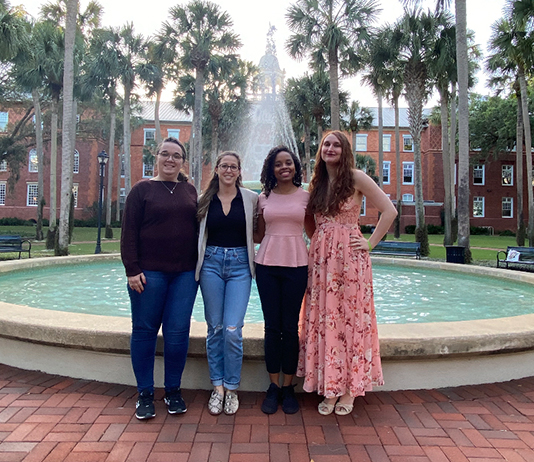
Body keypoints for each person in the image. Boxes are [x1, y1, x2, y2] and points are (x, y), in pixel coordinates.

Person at [297, 131, 397, 416]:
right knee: (325, 318)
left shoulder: (356, 177)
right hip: (321, 262)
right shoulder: (317, 182)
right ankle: (330, 386)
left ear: (344, 150)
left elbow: (389, 211)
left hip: (350, 260)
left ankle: (350, 389)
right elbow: (308, 218)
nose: (330, 148)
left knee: (350, 319)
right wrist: (320, 240)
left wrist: (369, 243)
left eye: (336, 144)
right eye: (326, 144)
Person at [121, 137, 198, 420]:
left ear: (182, 161)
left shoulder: (190, 191)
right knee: (144, 332)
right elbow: (128, 233)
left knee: (177, 334)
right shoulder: (142, 190)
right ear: (156, 157)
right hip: (148, 274)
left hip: (185, 275)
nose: (170, 159)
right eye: (165, 154)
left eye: (176, 156)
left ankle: (173, 391)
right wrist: (132, 269)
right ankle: (144, 393)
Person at [196, 152, 258, 415]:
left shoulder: (251, 199)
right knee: (216, 327)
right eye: (224, 166)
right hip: (210, 263)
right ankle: (217, 387)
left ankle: (232, 388)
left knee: (232, 328)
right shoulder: (204, 200)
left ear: (239, 170)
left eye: (233, 166)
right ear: (217, 170)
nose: (229, 170)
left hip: (240, 266)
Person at [254, 146, 313, 415]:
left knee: (290, 328)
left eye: (288, 163)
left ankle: (288, 387)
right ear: (272, 169)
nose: (284, 167)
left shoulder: (306, 197)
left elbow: (312, 232)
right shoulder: (263, 198)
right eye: (278, 164)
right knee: (271, 327)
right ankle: (273, 386)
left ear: (295, 167)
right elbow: (258, 234)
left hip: (297, 265)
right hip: (266, 266)